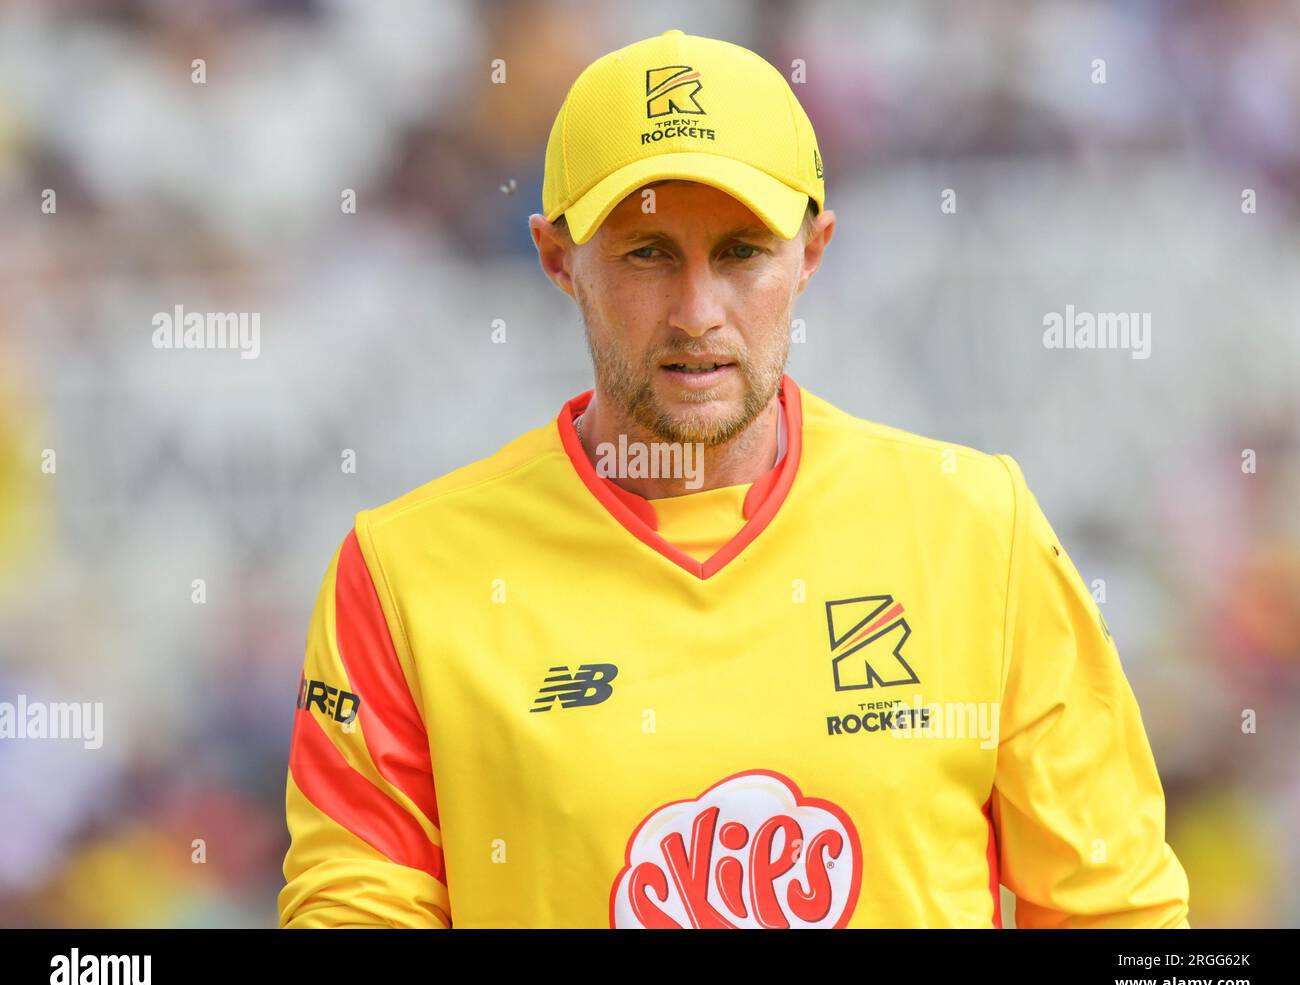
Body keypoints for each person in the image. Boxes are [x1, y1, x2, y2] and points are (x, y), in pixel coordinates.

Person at [278, 29, 1190, 929]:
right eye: (647, 253)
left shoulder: (976, 528)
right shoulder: (405, 574)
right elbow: (355, 911)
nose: (697, 313)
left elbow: (1115, 908)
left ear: (813, 252)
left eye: (742, 252)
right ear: (558, 260)